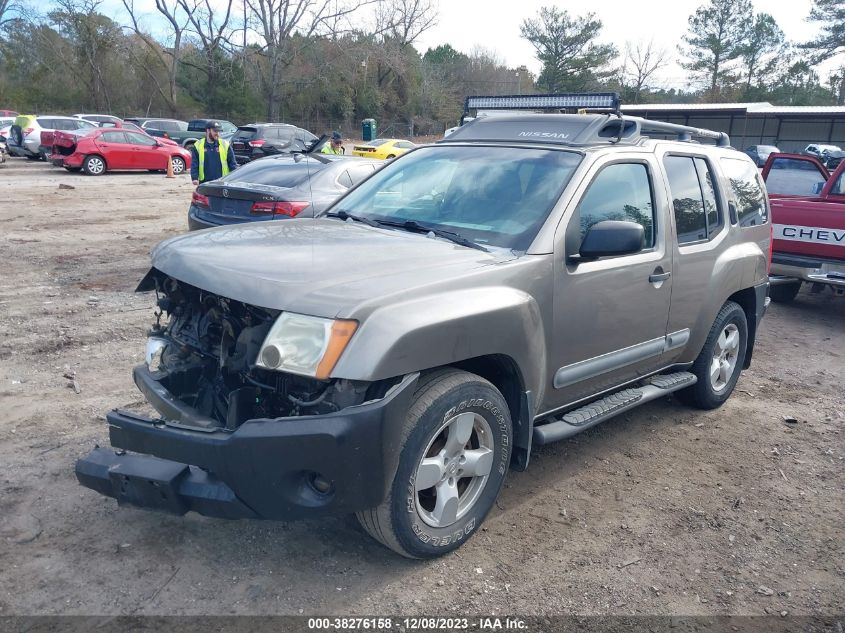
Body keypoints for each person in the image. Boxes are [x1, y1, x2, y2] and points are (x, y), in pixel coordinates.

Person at [191, 120, 236, 185]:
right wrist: (194, 178)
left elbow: (232, 164)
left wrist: (234, 178)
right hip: (204, 182)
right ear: (208, 131)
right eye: (215, 131)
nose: (217, 134)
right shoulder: (198, 145)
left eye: (218, 131)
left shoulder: (225, 145)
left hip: (222, 182)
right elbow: (194, 163)